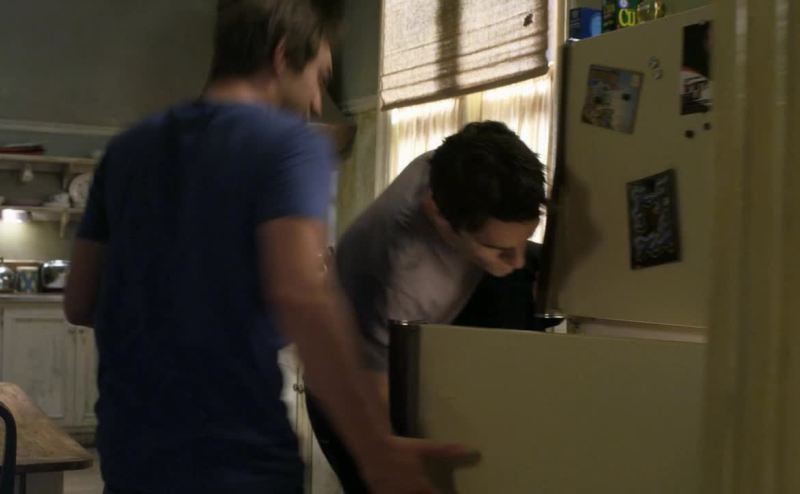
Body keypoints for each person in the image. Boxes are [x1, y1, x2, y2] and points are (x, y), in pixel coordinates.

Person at [64, 1, 472, 493]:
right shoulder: (287, 145)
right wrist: (375, 450)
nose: (317, 103)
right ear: (281, 56)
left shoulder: (127, 150)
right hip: (235, 461)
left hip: (131, 455)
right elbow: (301, 297)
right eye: (319, 77)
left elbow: (80, 301)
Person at [307, 121, 547, 493]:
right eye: (498, 250)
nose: (515, 261)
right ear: (438, 215)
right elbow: (375, 400)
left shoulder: (460, 163)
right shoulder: (394, 273)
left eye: (524, 239)